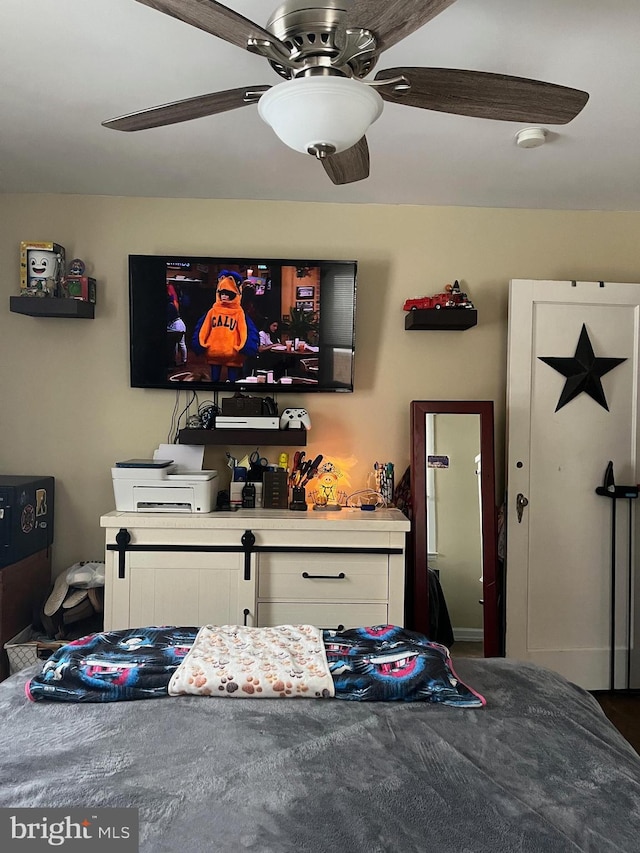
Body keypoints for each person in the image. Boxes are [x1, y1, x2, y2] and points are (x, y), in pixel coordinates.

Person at [198, 270, 251, 382]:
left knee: (232, 381)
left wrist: (240, 346)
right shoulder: (213, 310)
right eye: (222, 293)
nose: (224, 296)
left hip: (232, 352)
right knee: (214, 381)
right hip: (214, 352)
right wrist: (203, 342)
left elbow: (243, 330)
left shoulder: (238, 312)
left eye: (227, 294)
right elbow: (205, 328)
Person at [167, 291, 187, 365]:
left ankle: (184, 360)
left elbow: (169, 318)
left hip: (178, 324)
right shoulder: (170, 305)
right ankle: (174, 360)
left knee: (181, 343)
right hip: (174, 325)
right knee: (174, 344)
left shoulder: (170, 306)